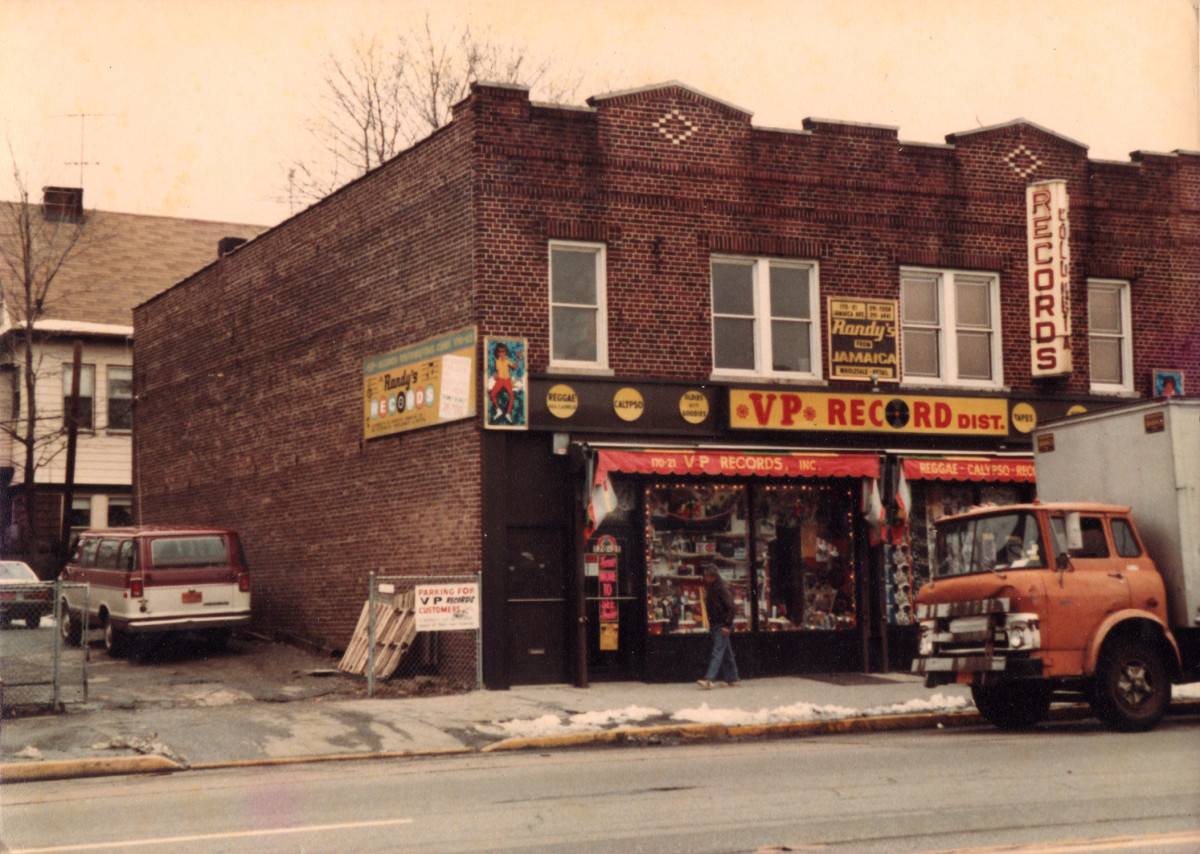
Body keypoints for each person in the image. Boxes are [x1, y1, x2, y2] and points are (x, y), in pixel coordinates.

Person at [698, 565, 740, 688]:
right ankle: (732, 679)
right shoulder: (715, 587)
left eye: (706, 575)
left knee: (717, 652)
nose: (704, 578)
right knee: (726, 652)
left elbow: (731, 607)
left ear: (711, 576)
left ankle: (709, 679)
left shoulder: (721, 587)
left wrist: (727, 624)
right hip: (718, 623)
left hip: (721, 624)